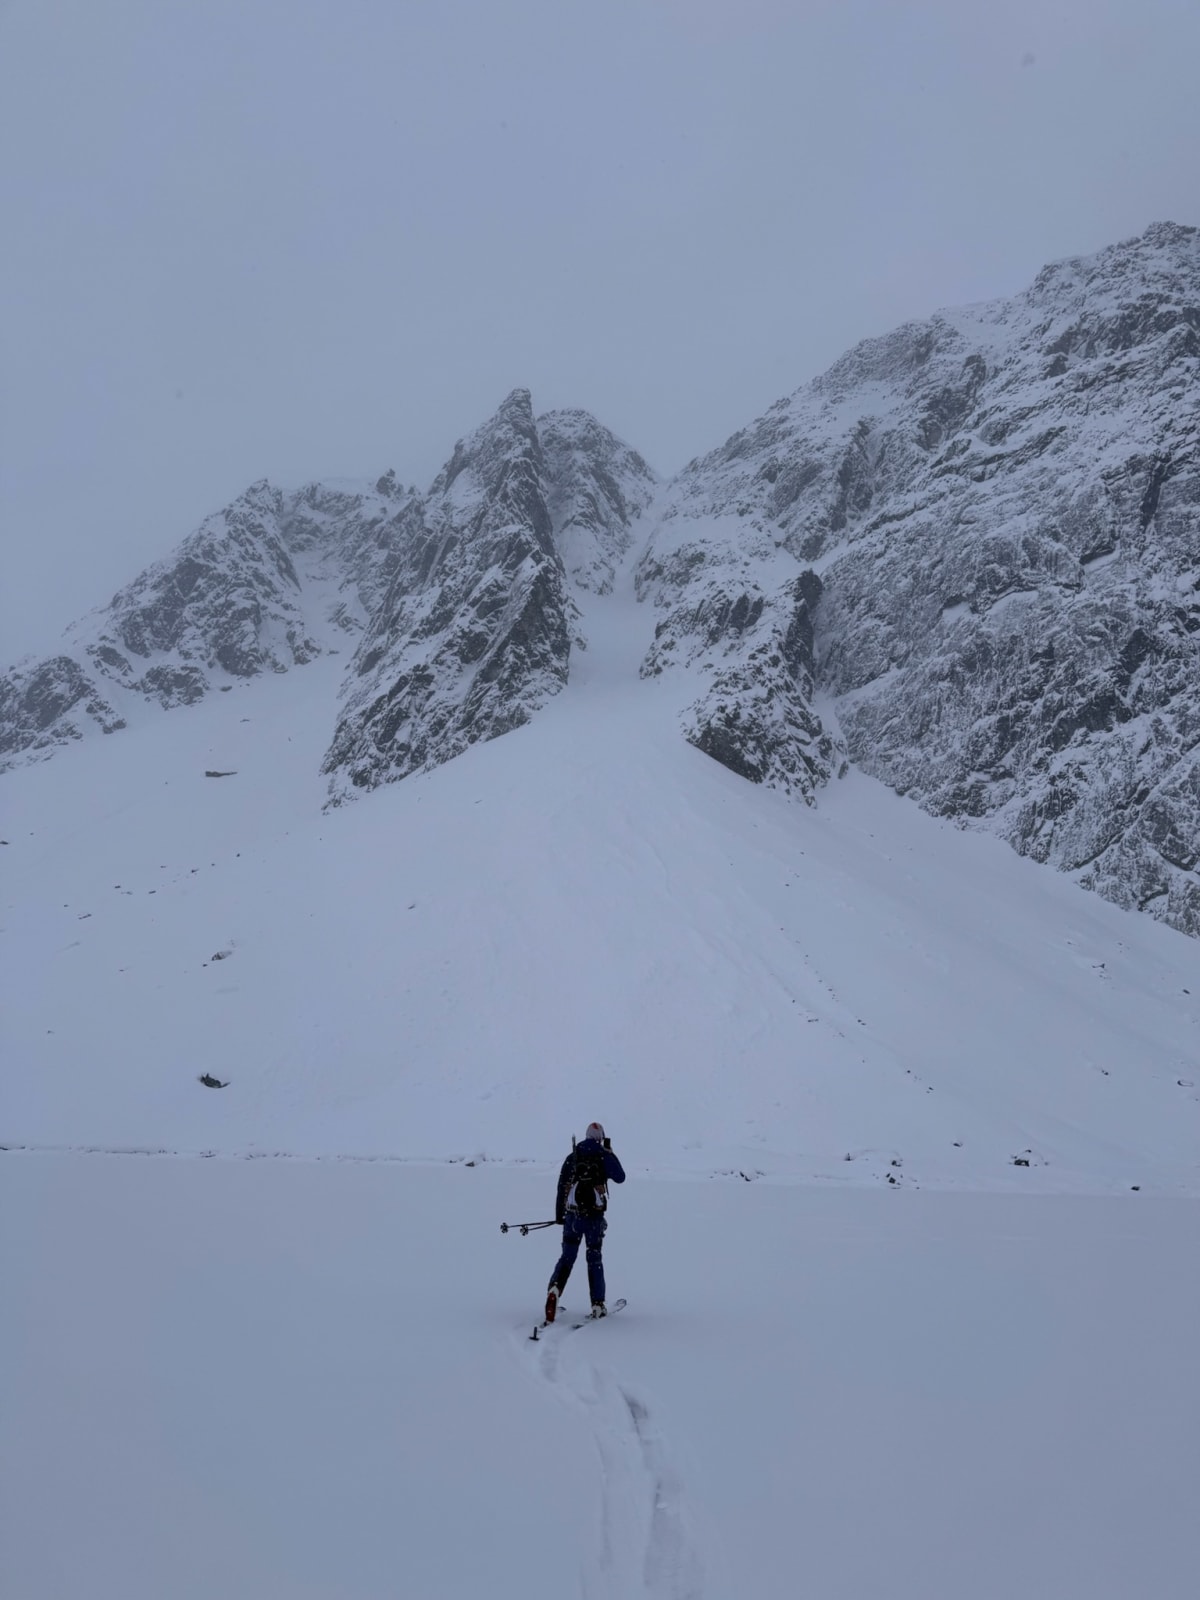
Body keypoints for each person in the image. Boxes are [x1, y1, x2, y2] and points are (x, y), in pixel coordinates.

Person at [545, 1122, 625, 1322]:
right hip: (594, 1218)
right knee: (594, 1259)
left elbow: (561, 1186)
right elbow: (620, 1177)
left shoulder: (573, 1156)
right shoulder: (603, 1156)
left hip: (573, 1215)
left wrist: (559, 1216)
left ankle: (555, 1289)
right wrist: (610, 1153)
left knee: (567, 1257)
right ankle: (597, 1304)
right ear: (601, 1138)